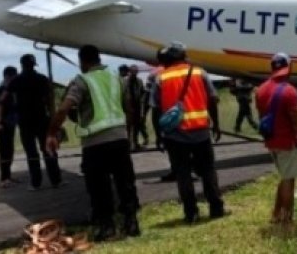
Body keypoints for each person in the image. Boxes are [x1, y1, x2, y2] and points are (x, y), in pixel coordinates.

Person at [46, 45, 141, 240]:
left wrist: (52, 133)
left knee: (99, 187)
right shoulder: (117, 78)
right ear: (99, 58)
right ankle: (131, 223)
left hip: (95, 144)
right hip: (119, 140)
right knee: (125, 183)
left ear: (83, 61)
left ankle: (106, 226)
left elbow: (64, 109)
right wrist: (127, 134)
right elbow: (129, 109)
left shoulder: (82, 81)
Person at [151, 41, 225, 223]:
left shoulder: (161, 78)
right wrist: (216, 124)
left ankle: (191, 212)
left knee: (183, 175)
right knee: (208, 171)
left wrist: (159, 134)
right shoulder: (200, 72)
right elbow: (213, 100)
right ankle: (216, 208)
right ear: (183, 56)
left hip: (175, 135)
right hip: (200, 131)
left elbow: (155, 109)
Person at [255, 52, 297, 226]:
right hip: (287, 143)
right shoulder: (289, 91)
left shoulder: (261, 89)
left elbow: (262, 117)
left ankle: (276, 215)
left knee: (285, 177)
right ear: (289, 68)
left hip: (271, 142)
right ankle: (286, 221)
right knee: (289, 181)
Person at [8, 53, 62, 190]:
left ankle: (35, 183)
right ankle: (56, 180)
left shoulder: (16, 81)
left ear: (22, 65)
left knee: (31, 153)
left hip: (25, 121)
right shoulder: (42, 79)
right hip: (42, 119)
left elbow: (9, 97)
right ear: (33, 65)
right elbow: (49, 99)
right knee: (48, 150)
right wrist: (53, 117)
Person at [124, 65, 147, 151]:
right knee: (128, 127)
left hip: (137, 106)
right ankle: (128, 145)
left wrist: (142, 103)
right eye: (133, 72)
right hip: (127, 107)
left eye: (136, 72)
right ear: (129, 72)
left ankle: (135, 143)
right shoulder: (124, 81)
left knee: (136, 126)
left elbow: (143, 93)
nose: (134, 73)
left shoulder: (139, 81)